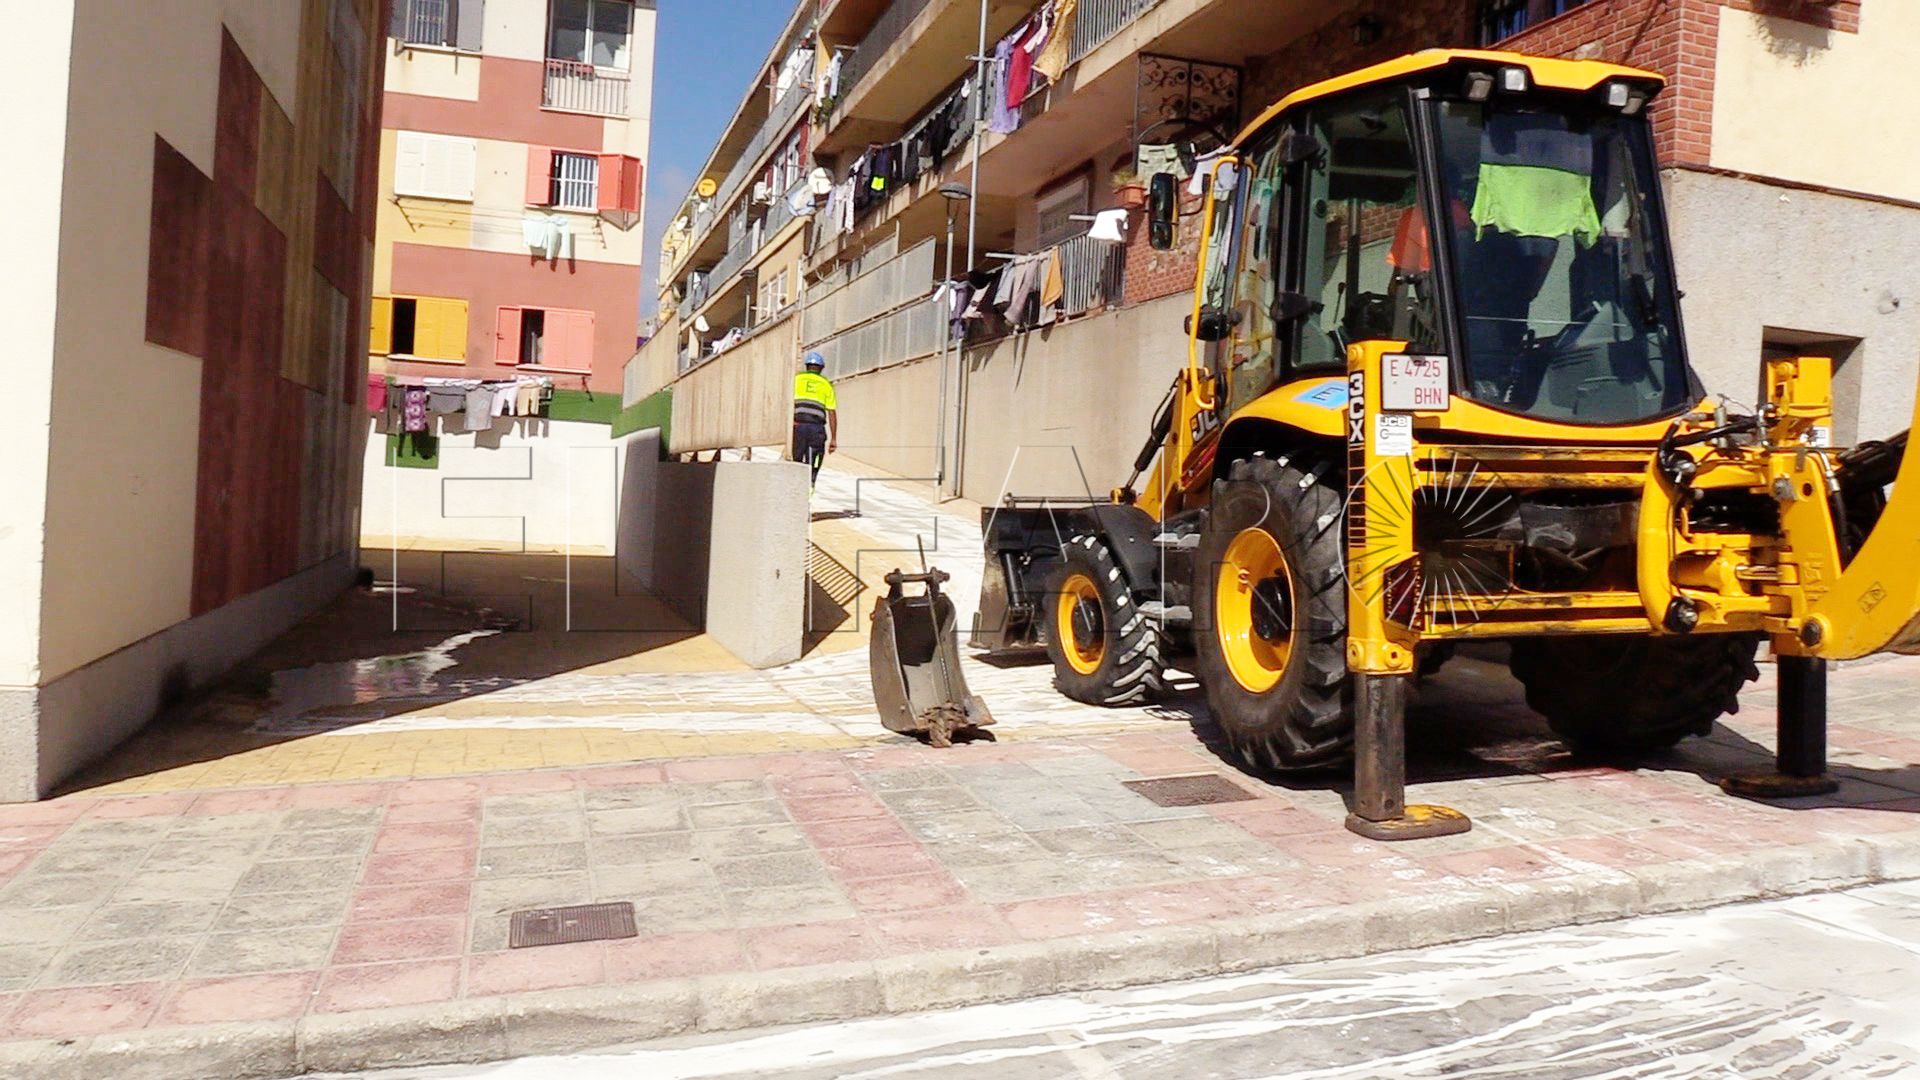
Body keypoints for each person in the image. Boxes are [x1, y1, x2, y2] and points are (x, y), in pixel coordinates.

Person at [793, 351, 837, 489]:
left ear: (807, 366)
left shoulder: (796, 379)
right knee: (814, 462)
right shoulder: (826, 384)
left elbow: (786, 403)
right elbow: (832, 413)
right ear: (821, 368)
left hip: (798, 427)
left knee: (797, 462)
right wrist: (833, 438)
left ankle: (796, 492)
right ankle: (810, 484)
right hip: (816, 429)